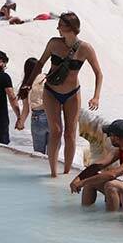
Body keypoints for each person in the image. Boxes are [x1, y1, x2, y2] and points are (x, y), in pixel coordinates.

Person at [21, 11, 103, 177]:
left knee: (70, 133)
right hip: (51, 91)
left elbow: (98, 73)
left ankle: (66, 171)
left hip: (72, 93)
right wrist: (28, 84)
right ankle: (53, 172)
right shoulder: (54, 43)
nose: (58, 28)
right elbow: (40, 64)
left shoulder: (85, 48)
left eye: (61, 25)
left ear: (71, 28)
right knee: (56, 131)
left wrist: (96, 96)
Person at [68, 119, 123, 212]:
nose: (108, 137)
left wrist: (82, 183)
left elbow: (113, 174)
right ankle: (84, 213)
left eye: (109, 135)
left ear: (116, 138)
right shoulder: (120, 149)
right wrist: (79, 178)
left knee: (111, 185)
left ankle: (111, 222)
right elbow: (99, 165)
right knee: (91, 180)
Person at [15, 57, 48, 153]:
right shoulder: (47, 78)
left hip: (37, 118)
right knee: (52, 154)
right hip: (52, 116)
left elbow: (26, 109)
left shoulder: (26, 86)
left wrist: (20, 123)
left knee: (39, 153)